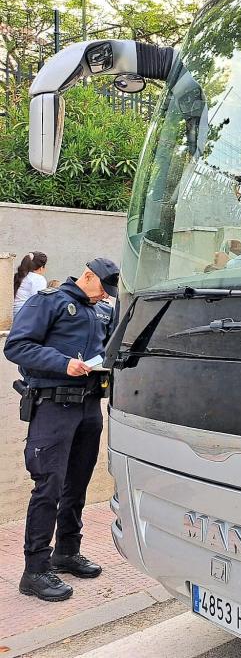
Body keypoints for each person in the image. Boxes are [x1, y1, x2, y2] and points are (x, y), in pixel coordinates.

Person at [4, 258, 120, 602]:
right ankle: (35, 570)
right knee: (48, 486)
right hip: (54, 406)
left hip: (88, 407)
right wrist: (63, 363)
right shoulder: (48, 302)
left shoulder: (99, 310)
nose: (105, 296)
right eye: (103, 288)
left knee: (77, 483)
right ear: (87, 276)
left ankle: (67, 551)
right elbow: (16, 346)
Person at [12, 252, 48, 319]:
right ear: (41, 268)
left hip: (15, 314)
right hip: (27, 316)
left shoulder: (20, 276)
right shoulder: (38, 278)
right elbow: (39, 301)